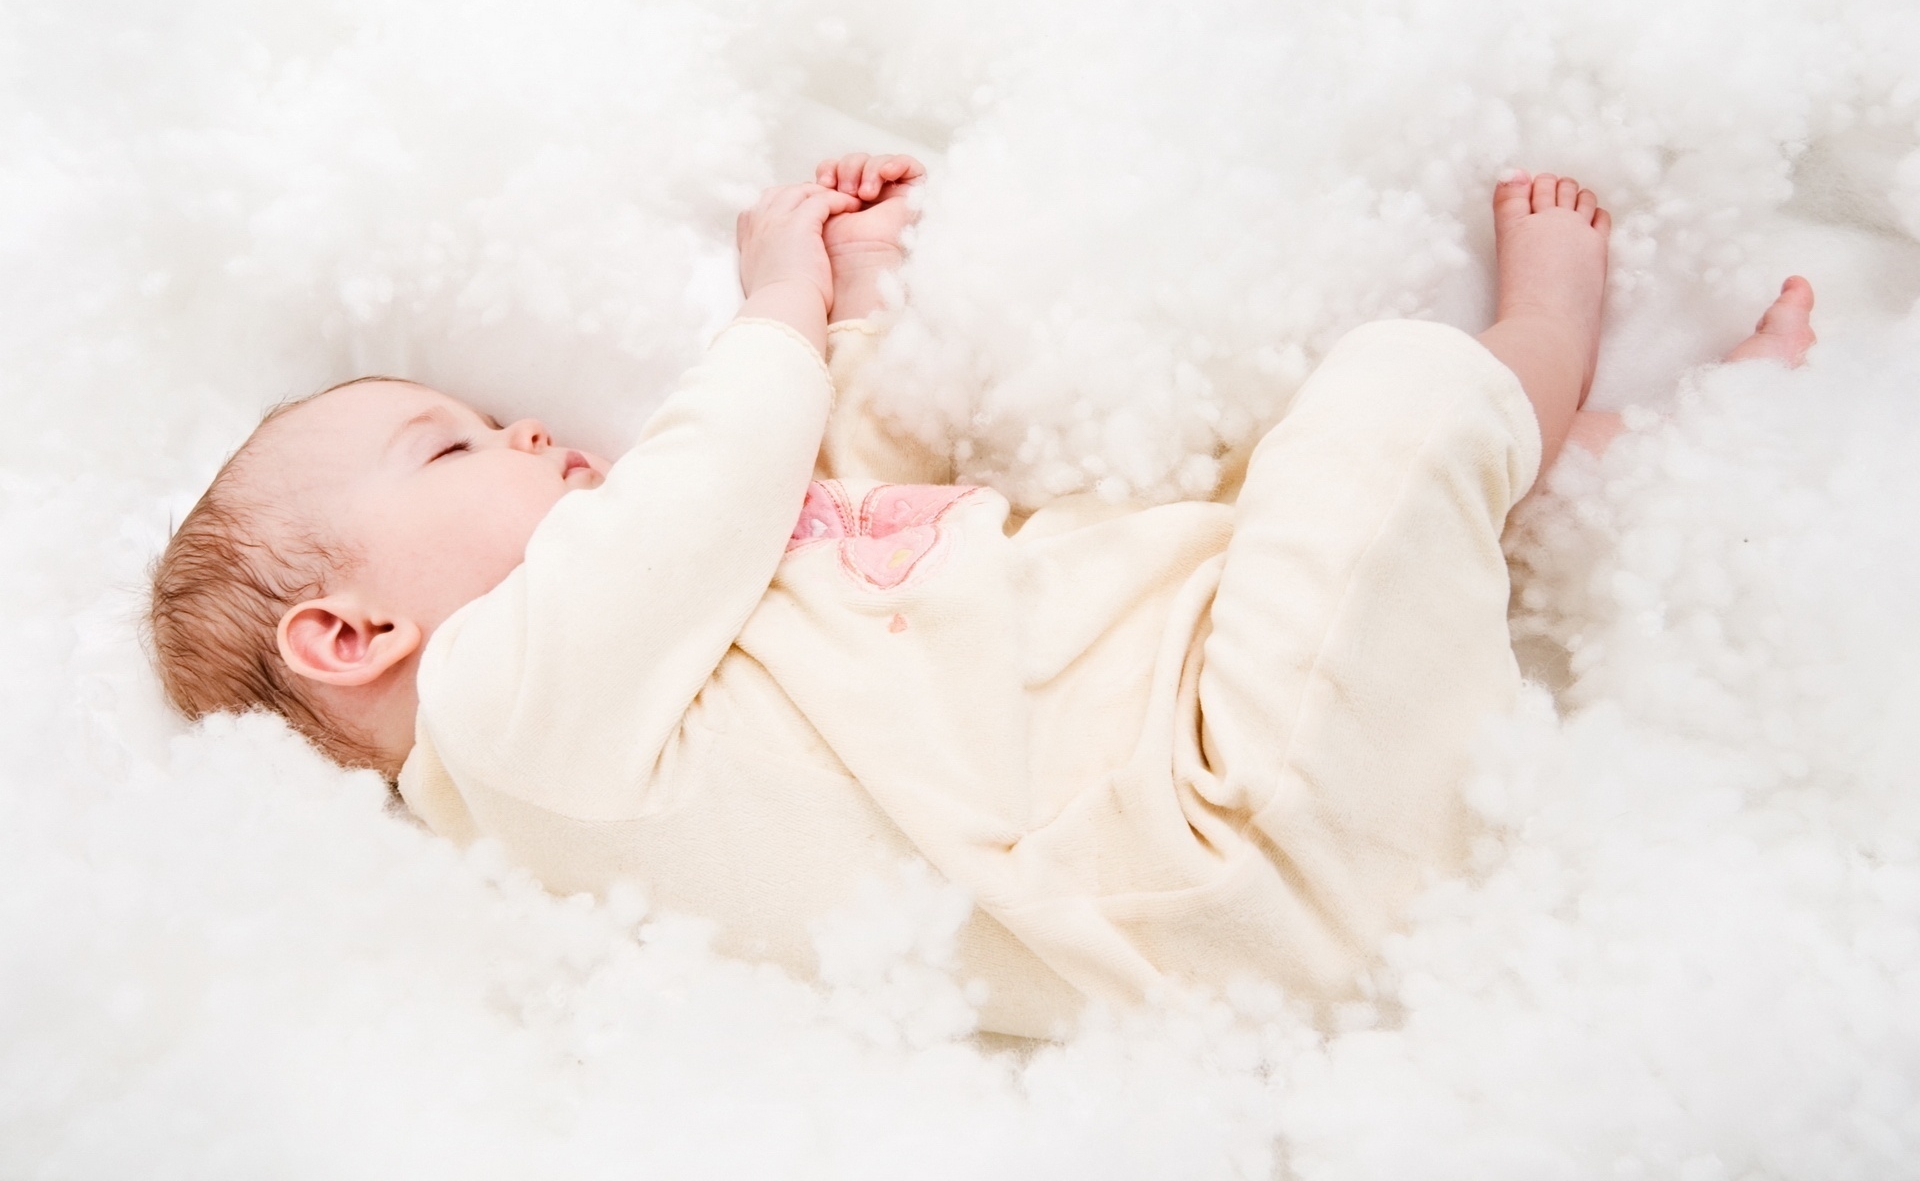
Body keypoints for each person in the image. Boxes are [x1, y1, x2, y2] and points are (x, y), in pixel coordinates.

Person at [146, 156, 1812, 1038]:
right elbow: (720, 475)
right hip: (1229, 832)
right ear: (353, 636)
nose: (521, 432)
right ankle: (1545, 340)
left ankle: (1627, 453)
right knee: (1389, 406)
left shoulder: (628, 704)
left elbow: (841, 519)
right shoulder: (504, 717)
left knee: (1291, 501)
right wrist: (777, 296)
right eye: (449, 447)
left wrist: (858, 314)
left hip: (1220, 783)